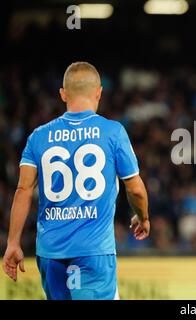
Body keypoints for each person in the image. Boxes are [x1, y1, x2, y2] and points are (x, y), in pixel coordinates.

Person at [2, 62, 151, 300]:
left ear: (63, 94)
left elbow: (23, 190)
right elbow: (135, 189)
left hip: (50, 253)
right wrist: (142, 217)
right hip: (94, 252)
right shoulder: (113, 132)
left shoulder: (38, 137)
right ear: (99, 92)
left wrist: (13, 243)